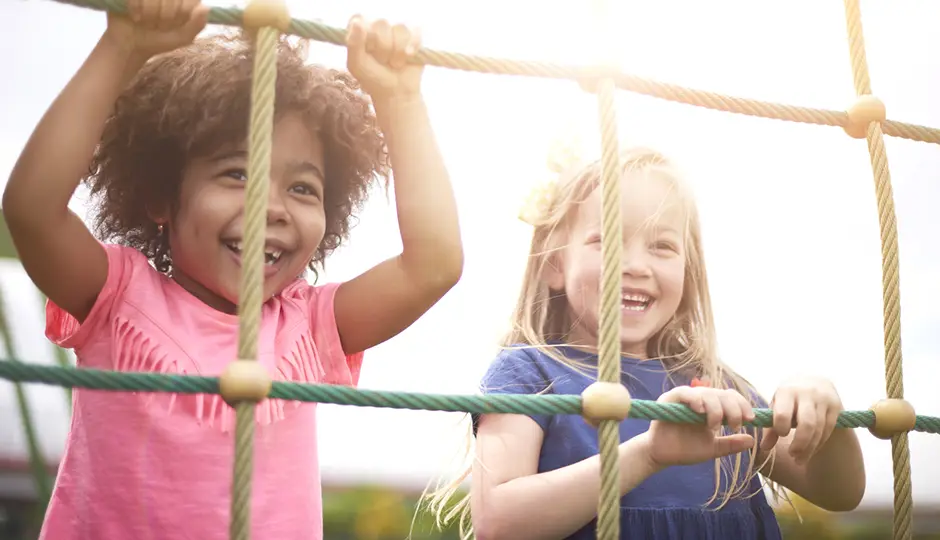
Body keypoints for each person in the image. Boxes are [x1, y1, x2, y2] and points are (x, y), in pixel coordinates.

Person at [3, 1, 463, 538]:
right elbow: (32, 211)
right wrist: (120, 49)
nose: (272, 207)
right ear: (159, 196)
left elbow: (433, 264)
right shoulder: (117, 296)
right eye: (238, 174)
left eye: (302, 188)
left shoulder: (307, 326)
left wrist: (400, 98)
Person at [425, 146, 864, 540]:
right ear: (555, 264)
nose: (634, 265)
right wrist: (646, 455)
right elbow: (498, 524)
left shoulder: (714, 385)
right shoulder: (530, 374)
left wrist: (824, 407)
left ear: (689, 271)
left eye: (662, 246)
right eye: (606, 241)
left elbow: (839, 492)